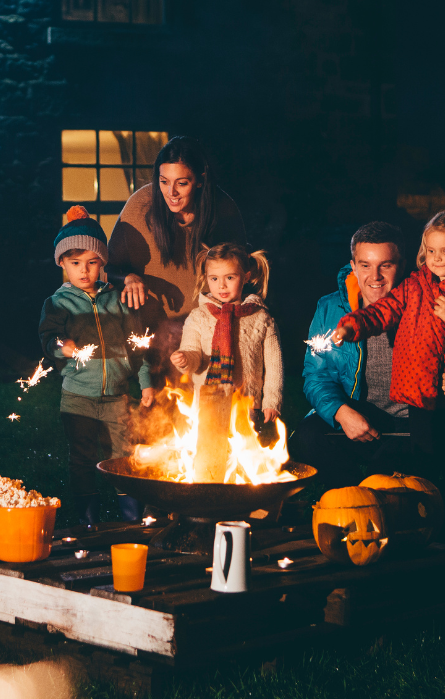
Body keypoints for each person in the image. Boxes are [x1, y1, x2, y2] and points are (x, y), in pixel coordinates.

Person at [332, 209, 445, 544]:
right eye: (431, 250)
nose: (436, 258)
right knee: (423, 468)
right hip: (419, 396)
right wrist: (355, 325)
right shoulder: (415, 286)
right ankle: (423, 533)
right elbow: (384, 310)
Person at [290, 222, 445, 489]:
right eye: (365, 265)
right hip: (361, 415)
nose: (375, 277)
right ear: (353, 266)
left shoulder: (426, 300)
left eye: (385, 265)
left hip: (413, 423)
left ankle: (384, 494)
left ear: (402, 265)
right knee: (308, 435)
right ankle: (349, 496)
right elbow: (316, 375)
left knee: (387, 475)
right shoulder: (330, 307)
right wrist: (341, 412)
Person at [39, 207, 155, 524]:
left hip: (117, 397)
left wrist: (145, 381)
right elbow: (48, 339)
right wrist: (62, 346)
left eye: (92, 262)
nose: (84, 270)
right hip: (78, 397)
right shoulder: (58, 303)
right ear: (62, 263)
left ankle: (131, 518)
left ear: (102, 262)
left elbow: (138, 343)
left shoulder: (117, 300)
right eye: (75, 263)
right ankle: (88, 521)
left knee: (123, 457)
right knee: (82, 459)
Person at [106, 137, 247, 380]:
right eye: (164, 182)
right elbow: (108, 267)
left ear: (200, 180)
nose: (171, 192)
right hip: (156, 339)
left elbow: (242, 272)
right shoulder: (141, 205)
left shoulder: (223, 210)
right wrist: (128, 278)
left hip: (209, 336)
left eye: (182, 183)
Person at [171, 243, 281, 482]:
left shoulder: (261, 317)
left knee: (244, 458)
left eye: (230, 277)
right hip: (208, 404)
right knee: (210, 456)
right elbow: (194, 355)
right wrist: (184, 359)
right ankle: (209, 492)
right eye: (214, 278)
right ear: (206, 279)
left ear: (246, 277)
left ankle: (242, 496)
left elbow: (274, 366)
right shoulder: (198, 317)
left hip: (247, 403)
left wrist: (272, 400)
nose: (221, 285)